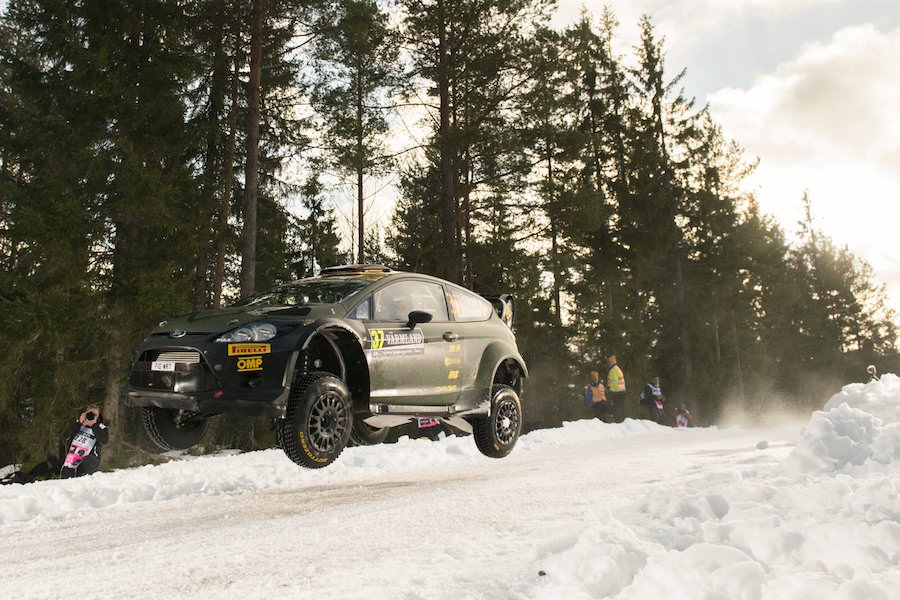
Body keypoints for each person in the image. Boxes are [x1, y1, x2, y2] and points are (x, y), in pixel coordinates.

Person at [59, 404, 109, 479]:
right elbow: (66, 436)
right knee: (66, 479)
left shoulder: (100, 427)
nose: (92, 416)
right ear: (85, 414)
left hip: (90, 459)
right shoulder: (79, 425)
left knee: (85, 467)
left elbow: (103, 441)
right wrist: (79, 423)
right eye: (90, 414)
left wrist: (94, 425)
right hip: (72, 459)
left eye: (95, 415)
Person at [606, 355, 626, 423]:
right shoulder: (617, 368)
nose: (608, 364)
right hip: (622, 391)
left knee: (616, 408)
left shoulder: (613, 370)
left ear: (611, 362)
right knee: (620, 407)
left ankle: (618, 421)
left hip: (616, 391)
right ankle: (622, 421)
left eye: (609, 362)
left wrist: (611, 391)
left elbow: (614, 382)